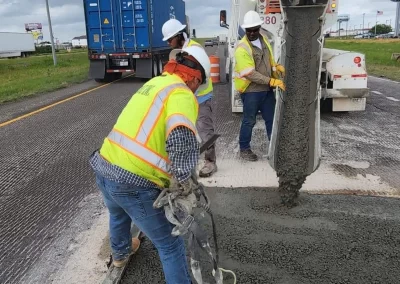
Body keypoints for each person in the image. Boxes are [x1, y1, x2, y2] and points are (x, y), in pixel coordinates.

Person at [89, 45, 211, 284]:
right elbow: (180, 138)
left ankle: (121, 255)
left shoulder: (156, 84)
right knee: (170, 244)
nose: (197, 90)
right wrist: (183, 180)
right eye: (199, 84)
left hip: (105, 165)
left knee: (118, 213)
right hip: (132, 183)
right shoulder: (182, 94)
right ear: (195, 78)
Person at [162, 18, 217, 177]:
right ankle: (185, 159)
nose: (168, 43)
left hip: (201, 96)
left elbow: (203, 76)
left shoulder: (194, 50)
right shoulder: (178, 52)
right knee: (184, 130)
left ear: (179, 35)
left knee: (205, 130)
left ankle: (210, 162)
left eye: (170, 39)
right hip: (186, 97)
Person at [234, 11, 286, 162]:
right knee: (249, 121)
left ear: (259, 28)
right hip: (251, 91)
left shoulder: (264, 40)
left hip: (266, 91)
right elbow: (250, 73)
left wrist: (276, 67)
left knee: (272, 120)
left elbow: (268, 61)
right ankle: (244, 149)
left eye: (254, 29)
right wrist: (272, 81)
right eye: (248, 30)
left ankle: (275, 148)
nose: (251, 33)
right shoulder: (242, 48)